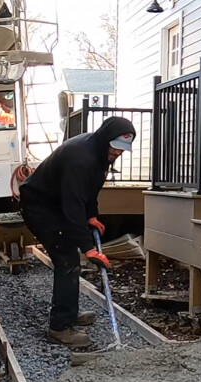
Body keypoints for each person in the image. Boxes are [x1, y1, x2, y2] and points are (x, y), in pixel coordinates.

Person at [19, 116, 136, 347]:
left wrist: (91, 215)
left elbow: (89, 191)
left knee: (70, 259)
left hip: (57, 203)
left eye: (122, 149)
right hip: (41, 207)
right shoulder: (81, 159)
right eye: (115, 147)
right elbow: (73, 205)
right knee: (67, 260)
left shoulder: (100, 151)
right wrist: (89, 248)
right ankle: (60, 327)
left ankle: (69, 314)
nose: (117, 153)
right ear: (105, 139)